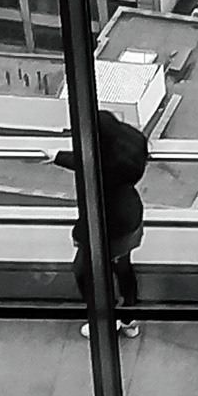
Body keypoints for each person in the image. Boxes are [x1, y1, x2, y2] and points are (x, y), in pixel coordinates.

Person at [57, 103, 149, 339]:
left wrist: (55, 156)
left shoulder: (103, 166)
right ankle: (129, 317)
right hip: (131, 216)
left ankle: (105, 317)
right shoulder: (131, 149)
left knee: (83, 270)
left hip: (110, 225)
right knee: (123, 267)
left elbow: (83, 163)